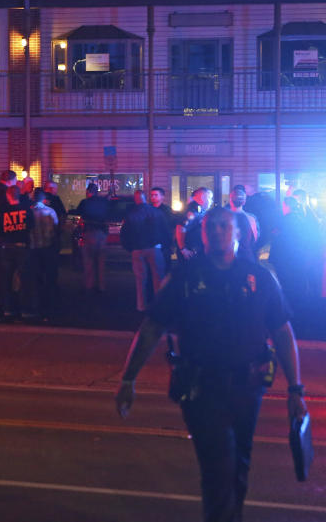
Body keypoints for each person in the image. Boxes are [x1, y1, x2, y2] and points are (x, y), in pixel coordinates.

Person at [115, 207, 307, 522]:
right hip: (201, 389)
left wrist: (295, 389)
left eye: (224, 226)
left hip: (249, 388)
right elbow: (152, 328)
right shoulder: (184, 278)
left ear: (239, 233)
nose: (217, 231)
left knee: (240, 466)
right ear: (202, 234)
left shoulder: (260, 278)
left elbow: (283, 331)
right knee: (219, 465)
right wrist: (127, 379)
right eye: (210, 227)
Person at [120, 190, 168, 312]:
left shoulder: (131, 215)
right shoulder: (156, 212)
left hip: (137, 249)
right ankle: (159, 306)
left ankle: (141, 306)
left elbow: (124, 234)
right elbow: (164, 229)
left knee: (140, 279)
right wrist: (166, 245)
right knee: (158, 278)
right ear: (145, 198)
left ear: (135, 200)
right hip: (154, 247)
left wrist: (130, 248)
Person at [0, 184, 30, 319]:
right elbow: (31, 226)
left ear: (8, 196)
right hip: (22, 247)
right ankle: (25, 310)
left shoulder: (3, 211)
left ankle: (8, 309)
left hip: (7, 247)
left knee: (7, 279)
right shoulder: (26, 209)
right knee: (24, 279)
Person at [25, 188, 59, 320]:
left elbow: (26, 229)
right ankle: (49, 306)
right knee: (49, 279)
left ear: (34, 198)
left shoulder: (29, 212)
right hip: (48, 249)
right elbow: (56, 229)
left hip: (34, 249)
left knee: (36, 279)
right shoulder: (50, 211)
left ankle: (36, 306)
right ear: (44, 198)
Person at [76, 183, 110, 292]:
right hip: (102, 234)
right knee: (101, 261)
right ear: (96, 192)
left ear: (88, 192)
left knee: (88, 261)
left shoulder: (85, 202)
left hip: (89, 233)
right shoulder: (103, 202)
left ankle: (89, 285)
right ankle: (102, 286)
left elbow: (77, 213)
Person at [177, 187, 213, 261]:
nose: (211, 201)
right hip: (190, 251)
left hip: (196, 250)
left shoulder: (199, 210)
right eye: (209, 198)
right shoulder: (192, 211)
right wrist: (183, 249)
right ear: (203, 197)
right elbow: (180, 228)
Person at [227, 185, 259, 262]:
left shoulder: (224, 218)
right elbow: (255, 238)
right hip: (246, 257)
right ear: (244, 202)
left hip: (228, 257)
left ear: (230, 200)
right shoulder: (251, 218)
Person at [149, 187, 175, 272]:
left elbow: (171, 227)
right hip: (149, 244)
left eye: (156, 195)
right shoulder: (148, 209)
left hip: (164, 244)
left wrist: (172, 244)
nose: (153, 197)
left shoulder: (167, 210)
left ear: (162, 197)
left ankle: (164, 285)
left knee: (165, 268)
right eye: (152, 195)